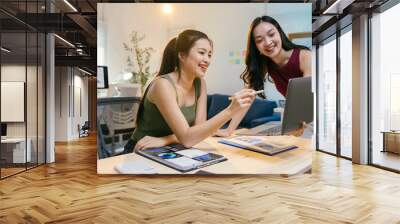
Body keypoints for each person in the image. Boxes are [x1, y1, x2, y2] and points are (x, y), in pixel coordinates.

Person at [124, 29, 256, 152]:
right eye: (201, 52)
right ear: (182, 55)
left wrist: (165, 139)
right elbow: (188, 139)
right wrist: (230, 110)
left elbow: (198, 132)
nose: (207, 60)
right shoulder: (163, 85)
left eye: (209, 54)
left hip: (172, 148)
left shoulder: (200, 83)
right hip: (140, 150)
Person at [215, 15, 312, 137]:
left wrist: (298, 122)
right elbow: (247, 97)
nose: (267, 42)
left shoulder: (305, 57)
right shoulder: (265, 64)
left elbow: (305, 99)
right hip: (298, 122)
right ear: (256, 46)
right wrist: (229, 130)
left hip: (315, 119)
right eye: (259, 40)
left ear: (279, 33)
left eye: (271, 34)